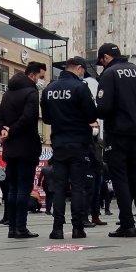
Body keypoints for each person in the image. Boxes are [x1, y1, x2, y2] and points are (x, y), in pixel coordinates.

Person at [95, 43, 136, 238]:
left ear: (105, 57)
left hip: (117, 133)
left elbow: (103, 107)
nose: (102, 66)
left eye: (101, 62)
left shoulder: (109, 74)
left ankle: (127, 224)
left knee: (120, 179)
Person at [40, 55, 98, 239]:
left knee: (59, 188)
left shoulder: (49, 89)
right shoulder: (80, 87)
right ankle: (77, 228)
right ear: (79, 68)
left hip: (59, 143)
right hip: (78, 143)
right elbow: (91, 115)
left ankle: (57, 228)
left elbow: (46, 118)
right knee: (78, 187)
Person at [0, 60, 47, 239]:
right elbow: (29, 118)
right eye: (41, 76)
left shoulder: (7, 94)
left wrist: (3, 130)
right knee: (23, 189)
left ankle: (12, 228)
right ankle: (21, 228)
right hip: (26, 148)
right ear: (32, 75)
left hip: (10, 149)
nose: (41, 80)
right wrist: (11, 130)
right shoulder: (31, 92)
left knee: (12, 189)